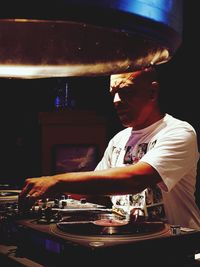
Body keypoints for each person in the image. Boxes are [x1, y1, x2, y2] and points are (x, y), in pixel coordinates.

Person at [19, 67, 200, 229]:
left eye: (126, 91)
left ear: (152, 92)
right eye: (113, 93)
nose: (116, 100)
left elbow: (135, 180)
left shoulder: (178, 132)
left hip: (177, 246)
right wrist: (50, 195)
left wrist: (56, 181)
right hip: (134, 245)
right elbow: (97, 191)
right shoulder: (119, 139)